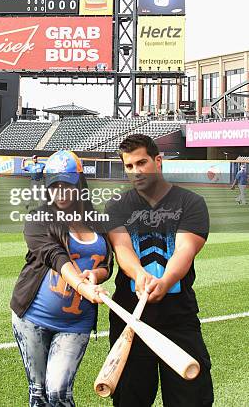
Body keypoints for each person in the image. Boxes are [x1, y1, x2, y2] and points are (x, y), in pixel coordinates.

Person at [105, 134, 213, 407]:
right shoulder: (116, 206)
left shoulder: (190, 203)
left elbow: (184, 250)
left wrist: (165, 281)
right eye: (129, 166)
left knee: (191, 399)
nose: (136, 171)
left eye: (142, 163)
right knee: (129, 400)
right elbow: (123, 248)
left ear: (158, 160)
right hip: (130, 320)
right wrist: (139, 275)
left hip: (178, 319)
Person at [10, 150, 113, 406]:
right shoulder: (38, 219)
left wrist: (96, 274)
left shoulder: (97, 221)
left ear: (79, 183)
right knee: (38, 394)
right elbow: (55, 256)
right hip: (32, 318)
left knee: (58, 392)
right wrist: (81, 284)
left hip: (76, 322)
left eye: (66, 184)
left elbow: (108, 264)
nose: (60, 192)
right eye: (54, 185)